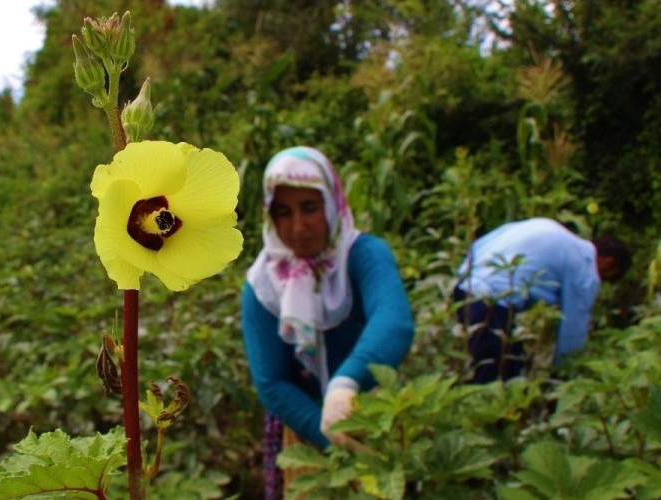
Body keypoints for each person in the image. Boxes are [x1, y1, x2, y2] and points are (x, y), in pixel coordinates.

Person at [241, 146, 414, 498]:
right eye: (283, 212)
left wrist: (344, 386)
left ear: (332, 202)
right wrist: (330, 435)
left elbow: (393, 321)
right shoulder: (263, 285)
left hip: (372, 418)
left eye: (310, 207)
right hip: (303, 432)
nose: (298, 227)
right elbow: (271, 381)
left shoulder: (364, 255)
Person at [453, 217, 632, 384]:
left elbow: (480, 245)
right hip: (492, 300)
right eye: (606, 277)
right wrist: (561, 380)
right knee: (495, 377)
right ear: (608, 263)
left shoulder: (548, 227)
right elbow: (573, 332)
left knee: (508, 361)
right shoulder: (585, 267)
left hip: (464, 286)